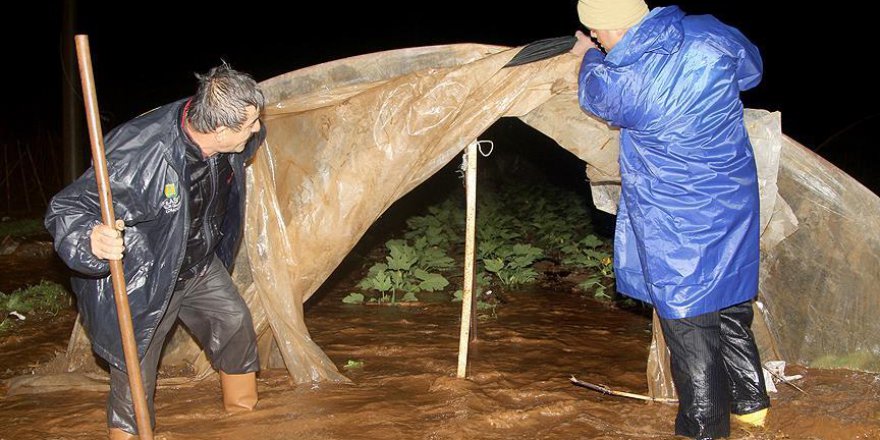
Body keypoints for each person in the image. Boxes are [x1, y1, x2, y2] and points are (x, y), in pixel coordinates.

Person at [570, 1, 770, 438]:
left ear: (609, 28)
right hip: (732, 199)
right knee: (731, 302)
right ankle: (752, 408)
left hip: (677, 218)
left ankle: (703, 428)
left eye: (597, 32)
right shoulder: (710, 31)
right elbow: (751, 72)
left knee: (689, 321)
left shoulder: (625, 80)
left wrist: (584, 55)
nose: (598, 40)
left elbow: (593, 93)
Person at [45, 63, 266, 439]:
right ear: (218, 129)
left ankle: (244, 421)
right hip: (144, 275)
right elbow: (66, 209)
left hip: (196, 263)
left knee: (234, 325)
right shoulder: (138, 154)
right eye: (249, 126)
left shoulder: (228, 130)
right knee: (135, 378)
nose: (258, 129)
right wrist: (89, 238)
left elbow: (251, 132)